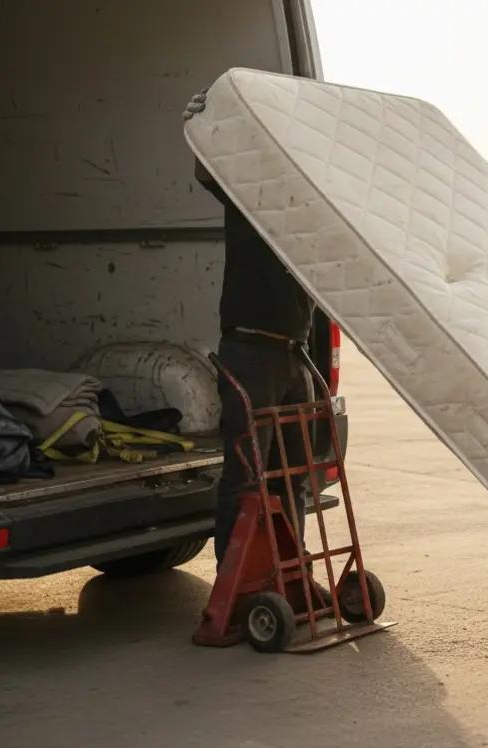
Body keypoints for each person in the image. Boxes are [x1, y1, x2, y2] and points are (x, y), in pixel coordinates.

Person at [183, 89, 317, 575]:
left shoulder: (314, 209)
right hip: (250, 350)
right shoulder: (249, 191)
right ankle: (234, 582)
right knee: (246, 475)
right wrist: (202, 123)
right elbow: (208, 169)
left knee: (292, 476)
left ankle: (290, 574)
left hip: (295, 353)